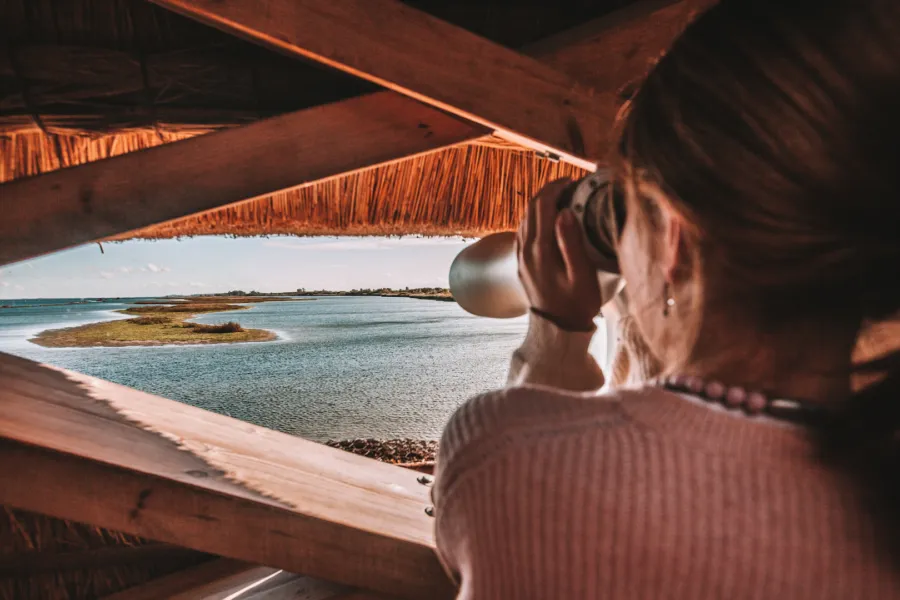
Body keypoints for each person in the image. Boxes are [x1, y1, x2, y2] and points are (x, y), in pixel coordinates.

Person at [431, 0, 900, 597]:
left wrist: (555, 336)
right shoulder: (878, 493)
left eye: (626, 215)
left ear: (673, 235)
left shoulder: (504, 452)